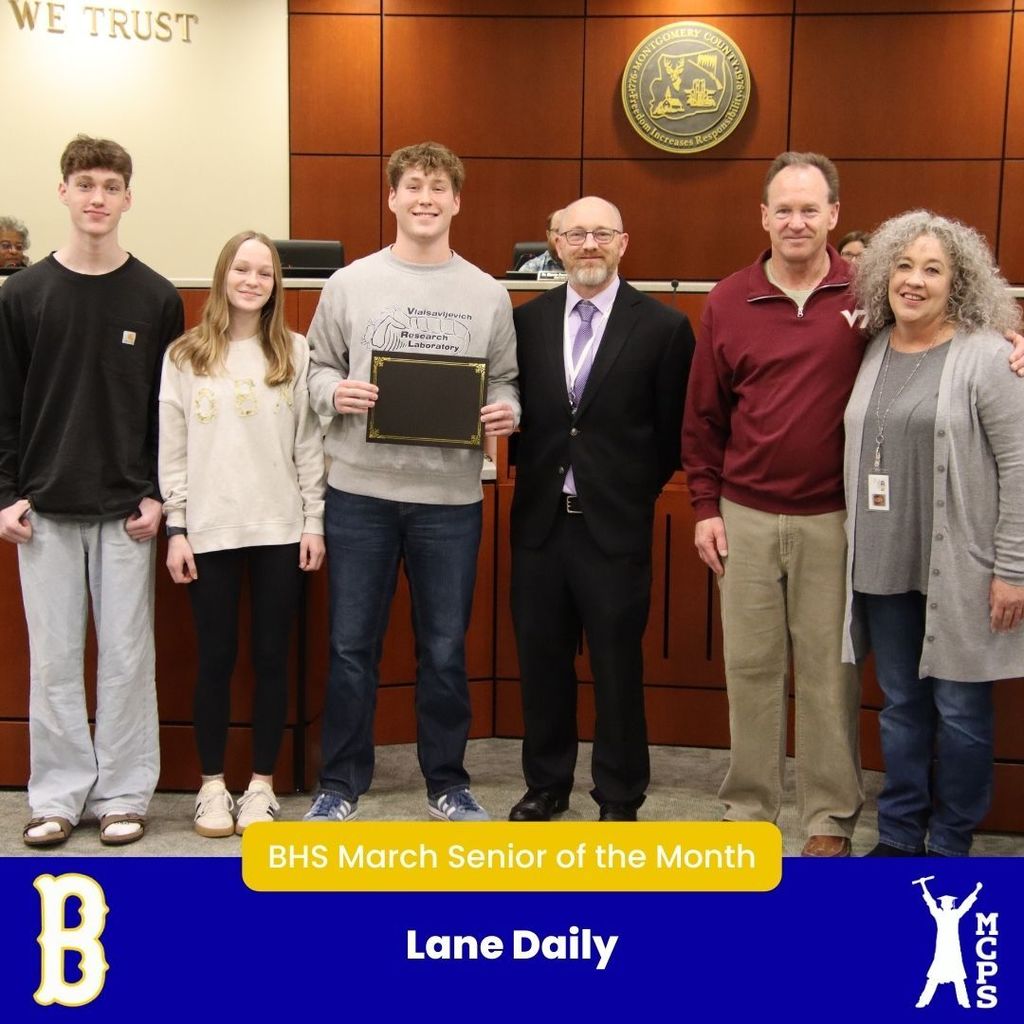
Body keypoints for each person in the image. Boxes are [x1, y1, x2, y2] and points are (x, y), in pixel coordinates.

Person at [304, 141, 519, 823]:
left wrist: (510, 409)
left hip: (450, 503)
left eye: (438, 188)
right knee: (349, 649)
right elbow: (312, 369)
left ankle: (447, 782)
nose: (425, 198)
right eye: (413, 186)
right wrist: (334, 391)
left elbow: (507, 380)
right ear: (392, 198)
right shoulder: (350, 283)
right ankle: (339, 785)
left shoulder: (488, 293)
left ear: (457, 201)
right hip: (359, 496)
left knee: (445, 650)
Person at [683, 152, 867, 857]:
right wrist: (705, 507)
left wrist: (1009, 338)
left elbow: (940, 331)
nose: (796, 220)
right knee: (752, 669)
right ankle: (750, 808)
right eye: (783, 209)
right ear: (764, 217)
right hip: (746, 516)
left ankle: (828, 818)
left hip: (837, 518)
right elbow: (704, 418)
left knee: (830, 671)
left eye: (809, 208)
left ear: (833, 216)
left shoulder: (869, 292)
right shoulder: (729, 298)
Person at [0, 134, 183, 847]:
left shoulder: (157, 296)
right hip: (41, 510)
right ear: (64, 193)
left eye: (110, 186)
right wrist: (7, 492)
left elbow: (163, 411)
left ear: (127, 197)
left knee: (128, 660)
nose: (97, 198)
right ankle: (56, 797)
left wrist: (156, 493)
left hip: (125, 513)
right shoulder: (23, 294)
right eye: (85, 185)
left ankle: (125, 796)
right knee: (52, 662)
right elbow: (5, 405)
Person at [842, 211, 1024, 857]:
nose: (913, 281)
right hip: (884, 569)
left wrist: (1013, 569)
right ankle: (898, 837)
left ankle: (949, 842)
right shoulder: (870, 348)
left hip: (966, 572)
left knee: (962, 717)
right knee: (900, 708)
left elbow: (1019, 467)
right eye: (903, 265)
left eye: (932, 269)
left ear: (959, 283)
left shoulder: (988, 355)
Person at [508, 196, 694, 822]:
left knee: (617, 669)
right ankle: (547, 784)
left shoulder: (665, 327)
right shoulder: (525, 322)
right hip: (539, 525)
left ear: (624, 243)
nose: (589, 244)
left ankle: (619, 793)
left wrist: (628, 490)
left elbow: (672, 435)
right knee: (542, 664)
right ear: (554, 243)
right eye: (575, 233)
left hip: (614, 528)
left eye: (602, 234)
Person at [159, 231, 326, 837]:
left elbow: (310, 443)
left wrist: (314, 520)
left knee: (270, 657)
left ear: (277, 282)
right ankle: (210, 788)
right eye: (242, 269)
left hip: (280, 527)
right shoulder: (184, 356)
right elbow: (172, 451)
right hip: (208, 528)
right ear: (222, 275)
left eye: (264, 272)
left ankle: (260, 786)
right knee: (216, 658)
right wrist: (176, 527)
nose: (252, 280)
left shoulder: (296, 352)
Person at [915, 879, 983, 1008]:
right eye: (944, 902)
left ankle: (965, 1002)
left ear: (952, 904)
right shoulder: (938, 914)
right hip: (941, 950)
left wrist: (976, 890)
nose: (947, 904)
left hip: (953, 950)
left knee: (958, 977)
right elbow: (930, 902)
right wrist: (923, 885)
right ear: (941, 904)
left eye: (949, 902)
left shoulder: (956, 914)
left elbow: (966, 904)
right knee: (934, 977)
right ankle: (923, 1001)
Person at [517, 209, 564, 273]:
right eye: (558, 231)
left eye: (571, 233)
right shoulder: (530, 270)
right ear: (548, 235)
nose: (563, 237)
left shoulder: (581, 268)